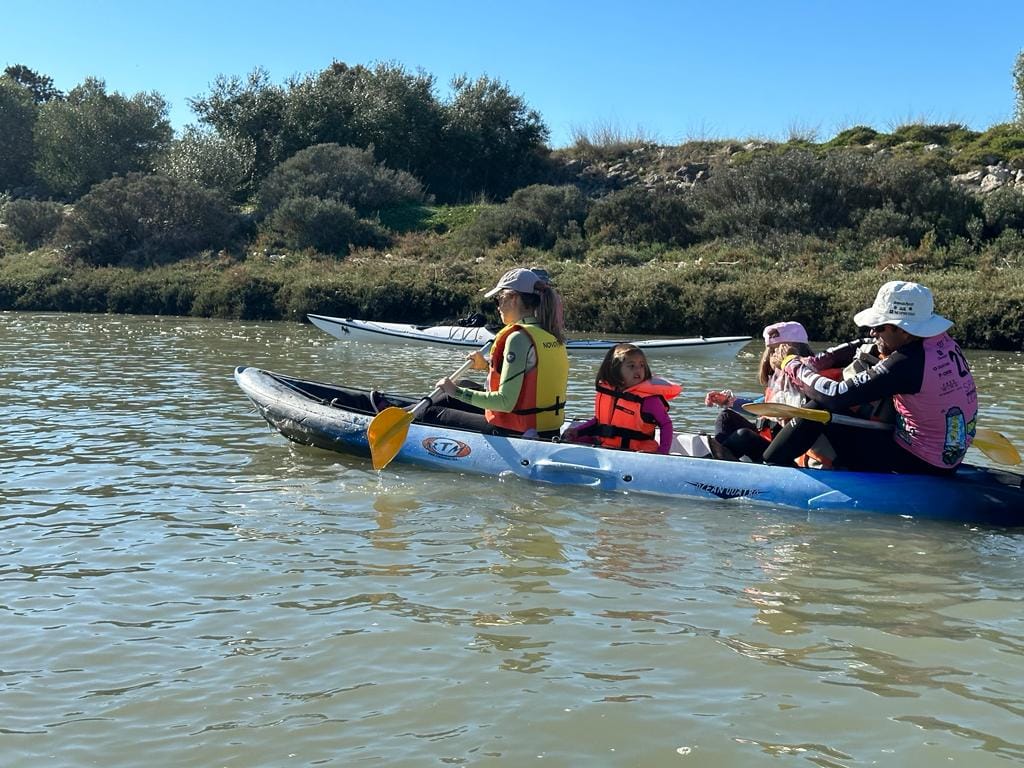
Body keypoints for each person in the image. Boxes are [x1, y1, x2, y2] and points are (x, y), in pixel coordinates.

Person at [762, 281, 977, 475]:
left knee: (820, 406)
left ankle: (769, 464)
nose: (873, 332)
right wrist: (815, 362)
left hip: (918, 464)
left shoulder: (906, 363)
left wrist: (790, 363)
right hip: (945, 458)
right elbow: (866, 343)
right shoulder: (941, 342)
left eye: (879, 327)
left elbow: (833, 395)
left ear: (904, 330)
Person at [415, 267, 570, 439]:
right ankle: (396, 409)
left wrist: (456, 392)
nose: (498, 306)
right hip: (547, 428)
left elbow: (505, 402)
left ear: (513, 298)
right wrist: (486, 366)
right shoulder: (549, 333)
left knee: (430, 412)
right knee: (462, 384)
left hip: (517, 431)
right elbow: (531, 377)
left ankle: (399, 417)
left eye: (499, 299)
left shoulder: (518, 338)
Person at [704, 321, 816, 462]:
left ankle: (716, 461)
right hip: (769, 440)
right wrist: (728, 401)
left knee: (744, 436)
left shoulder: (811, 380)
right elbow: (761, 405)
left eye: (778, 350)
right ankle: (720, 458)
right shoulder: (777, 382)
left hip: (786, 453)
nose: (772, 356)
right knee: (726, 417)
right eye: (771, 351)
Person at [562, 343, 682, 454]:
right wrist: (577, 431)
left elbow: (666, 424)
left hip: (637, 453)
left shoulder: (649, 399)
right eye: (631, 366)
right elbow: (599, 422)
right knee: (566, 442)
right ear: (616, 369)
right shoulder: (609, 392)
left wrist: (662, 452)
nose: (638, 370)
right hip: (606, 446)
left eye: (641, 365)